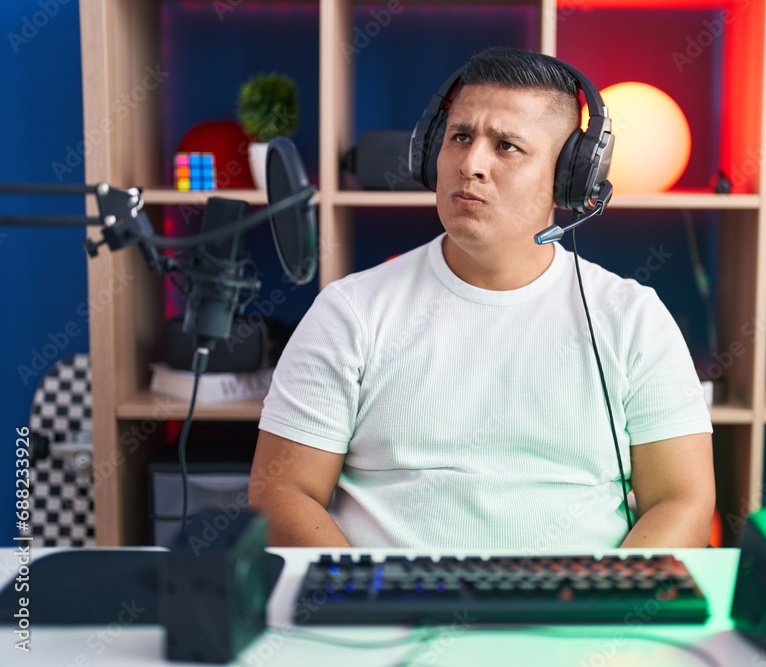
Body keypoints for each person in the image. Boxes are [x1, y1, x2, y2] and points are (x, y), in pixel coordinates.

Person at [248, 46, 714, 550]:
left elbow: (681, 500)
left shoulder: (633, 318)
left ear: (569, 178)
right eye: (460, 137)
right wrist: (373, 600)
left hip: (574, 618)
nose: (471, 164)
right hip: (393, 616)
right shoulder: (349, 312)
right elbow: (281, 490)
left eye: (507, 146)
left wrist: (602, 608)